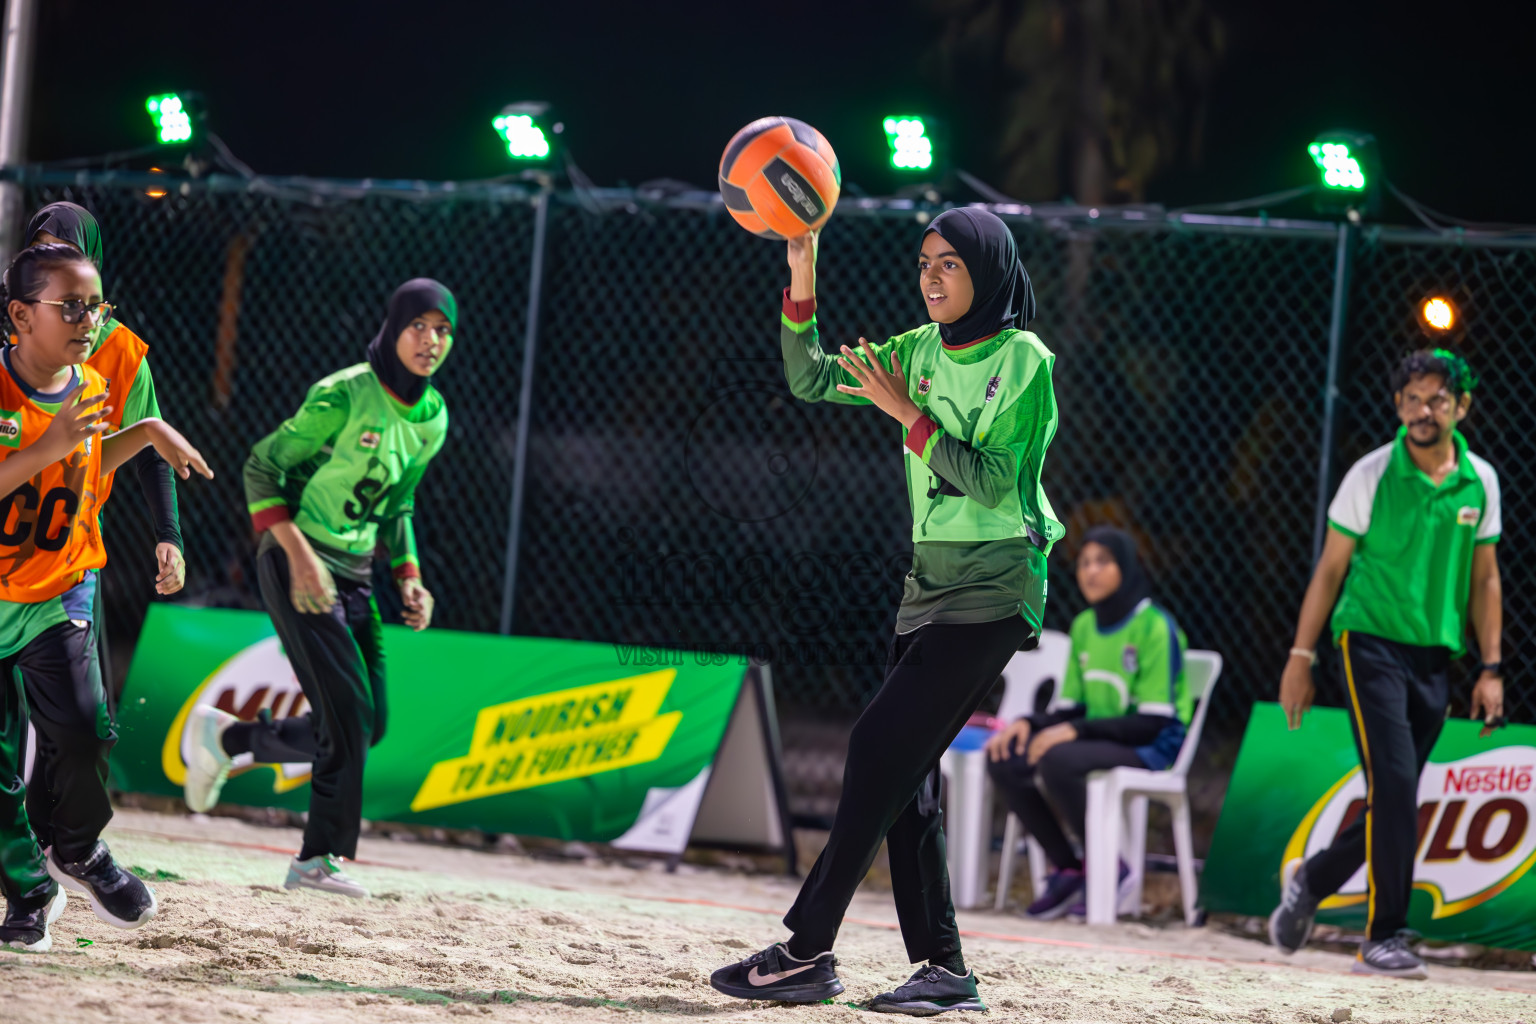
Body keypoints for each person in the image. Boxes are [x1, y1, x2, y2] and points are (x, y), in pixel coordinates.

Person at [709, 210, 1062, 1015]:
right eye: (924, 263)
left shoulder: (1023, 358)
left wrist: (907, 415)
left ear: (988, 273)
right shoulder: (916, 350)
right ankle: (944, 971)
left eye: (950, 265)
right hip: (928, 585)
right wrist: (804, 265)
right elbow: (807, 378)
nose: (932, 277)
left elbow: (996, 483)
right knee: (910, 782)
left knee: (875, 745)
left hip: (997, 581)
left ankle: (805, 950)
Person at [181, 280, 451, 899]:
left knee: (368, 723)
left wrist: (409, 576)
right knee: (349, 714)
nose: (430, 340)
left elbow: (399, 503)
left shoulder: (432, 417)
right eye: (419, 326)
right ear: (394, 327)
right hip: (296, 562)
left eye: (442, 330)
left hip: (354, 574)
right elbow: (260, 467)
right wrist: (300, 556)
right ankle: (315, 858)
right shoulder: (343, 395)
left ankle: (228, 739)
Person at [0, 243, 211, 951]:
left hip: (52, 593)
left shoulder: (90, 383)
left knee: (88, 731)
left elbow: (86, 463)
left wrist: (144, 433)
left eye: (94, 306)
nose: (87, 320)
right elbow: (49, 455)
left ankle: (80, 849)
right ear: (21, 317)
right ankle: (30, 893)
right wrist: (49, 444)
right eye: (70, 307)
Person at [1271, 349, 1502, 980]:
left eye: (1437, 399)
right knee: (1397, 787)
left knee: (1395, 798)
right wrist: (1300, 657)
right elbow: (1329, 570)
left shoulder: (1480, 481)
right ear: (1398, 406)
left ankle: (1312, 880)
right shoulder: (1371, 473)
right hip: (1367, 644)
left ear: (1461, 407)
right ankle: (1383, 936)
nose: (1423, 411)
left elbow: (1485, 579)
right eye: (1412, 400)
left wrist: (1492, 666)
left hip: (1436, 656)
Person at [18, 201, 185, 855]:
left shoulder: (120, 354)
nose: (53, 257)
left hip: (66, 549)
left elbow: (146, 447)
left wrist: (167, 532)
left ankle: (43, 845)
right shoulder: (18, 328)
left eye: (66, 247)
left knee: (84, 724)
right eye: (42, 245)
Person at [984, 527, 1192, 919]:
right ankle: (1069, 866)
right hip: (1100, 736)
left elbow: (1153, 720)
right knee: (1005, 756)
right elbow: (1073, 707)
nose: (1090, 572)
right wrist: (1030, 722)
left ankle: (1109, 867)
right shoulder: (1084, 626)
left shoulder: (1154, 626)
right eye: (1083, 563)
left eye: (1103, 562)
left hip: (1152, 743)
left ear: (1127, 568)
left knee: (1058, 759)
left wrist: (1072, 731)